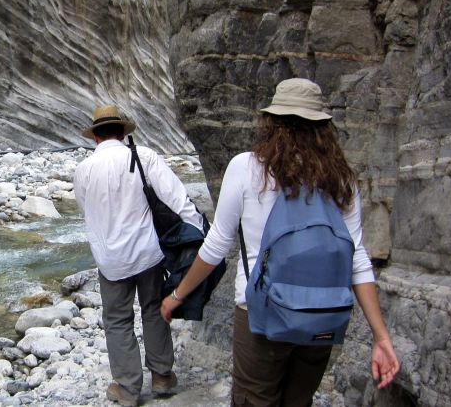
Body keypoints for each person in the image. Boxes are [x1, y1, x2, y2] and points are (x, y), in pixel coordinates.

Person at [160, 78, 400, 406]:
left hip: (261, 315)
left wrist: (177, 294)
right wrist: (381, 336)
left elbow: (217, 245)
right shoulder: (341, 179)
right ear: (322, 127)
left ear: (271, 122)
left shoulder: (247, 168)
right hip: (322, 315)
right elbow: (357, 259)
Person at [74, 104, 205, 406]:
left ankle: (129, 388)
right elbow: (177, 198)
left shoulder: (84, 170)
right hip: (148, 252)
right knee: (153, 309)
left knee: (118, 320)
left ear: (95, 137)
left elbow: (86, 210)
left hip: (110, 260)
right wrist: (199, 230)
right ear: (122, 132)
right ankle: (161, 376)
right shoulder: (143, 157)